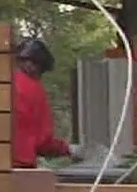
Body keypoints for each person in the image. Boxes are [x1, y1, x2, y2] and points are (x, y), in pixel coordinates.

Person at [12, 37, 83, 168]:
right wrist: (68, 149)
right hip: (20, 167)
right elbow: (43, 142)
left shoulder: (1, 85)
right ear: (36, 66)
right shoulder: (33, 89)